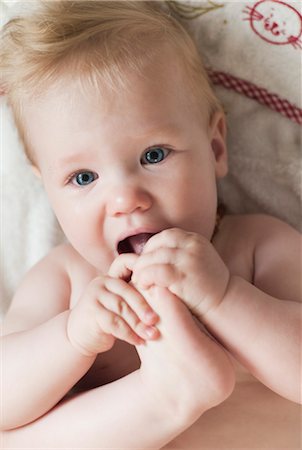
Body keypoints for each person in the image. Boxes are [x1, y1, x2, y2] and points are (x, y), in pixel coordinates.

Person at [0, 1, 300, 448]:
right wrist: (73, 338)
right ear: (48, 190)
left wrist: (225, 297)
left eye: (153, 155)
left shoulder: (256, 248)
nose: (125, 200)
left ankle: (171, 393)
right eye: (83, 178)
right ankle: (162, 397)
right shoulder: (69, 282)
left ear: (216, 148)